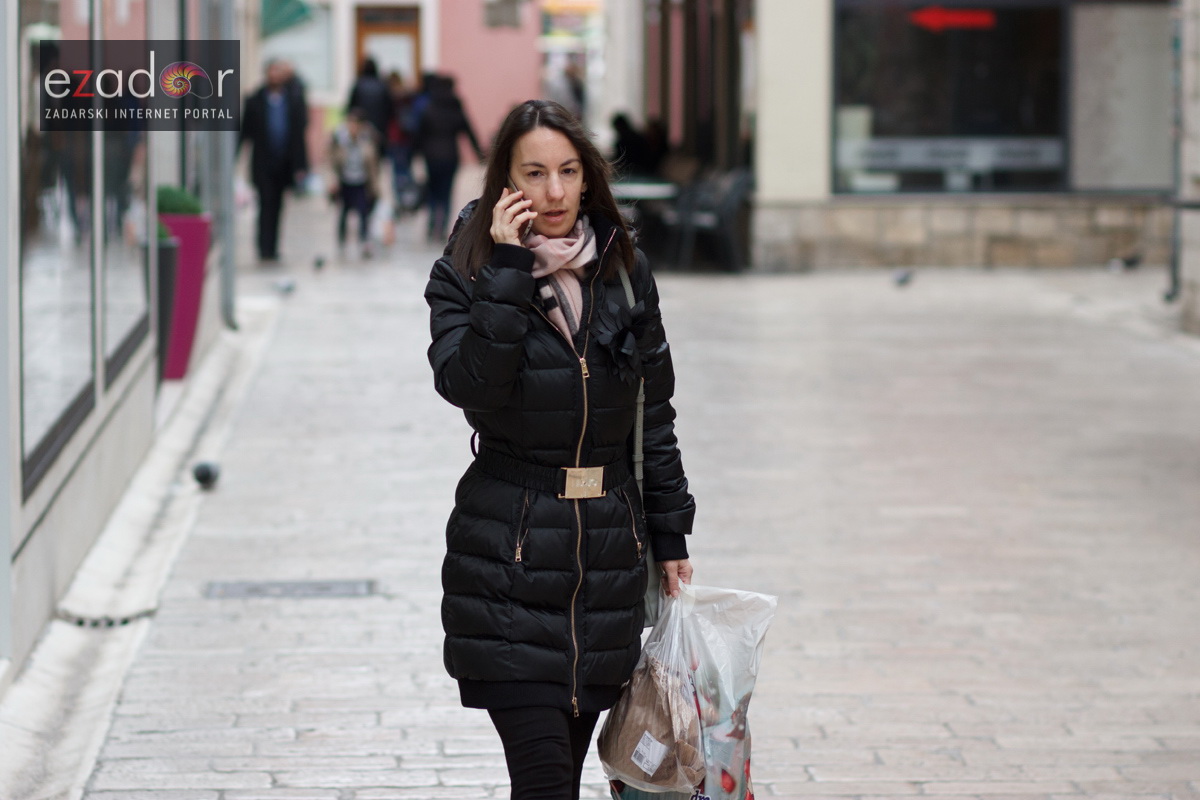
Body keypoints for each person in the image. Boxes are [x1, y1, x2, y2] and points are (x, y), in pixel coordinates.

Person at [424, 99, 696, 800]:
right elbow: (471, 388)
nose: (552, 192)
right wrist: (509, 270)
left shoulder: (624, 271)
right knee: (544, 781)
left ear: (587, 178)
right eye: (534, 173)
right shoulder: (465, 272)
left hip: (604, 565)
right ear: (503, 183)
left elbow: (652, 417)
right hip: (510, 563)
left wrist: (669, 534)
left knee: (558, 782)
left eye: (568, 172)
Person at [239, 59, 309, 262]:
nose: (275, 75)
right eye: (272, 71)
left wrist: (301, 166)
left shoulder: (293, 100)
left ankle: (274, 247)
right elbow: (245, 132)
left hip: (284, 162)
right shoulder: (255, 100)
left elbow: (298, 135)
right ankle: (263, 247)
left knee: (278, 206)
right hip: (263, 162)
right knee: (265, 204)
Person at [412, 74, 484, 242]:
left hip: (431, 157)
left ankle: (431, 226)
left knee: (433, 191)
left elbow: (418, 134)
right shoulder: (455, 108)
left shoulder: (429, 107)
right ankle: (442, 228)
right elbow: (468, 131)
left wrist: (414, 154)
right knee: (446, 193)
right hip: (450, 156)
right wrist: (480, 155)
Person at [329, 107, 380, 257]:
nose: (353, 127)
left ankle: (364, 241)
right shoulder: (339, 139)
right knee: (344, 212)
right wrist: (332, 181)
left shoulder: (368, 140)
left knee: (363, 212)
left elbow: (373, 165)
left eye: (356, 124)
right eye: (350, 123)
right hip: (345, 181)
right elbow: (331, 161)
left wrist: (375, 186)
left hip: (361, 181)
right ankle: (341, 242)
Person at [346, 57, 393, 147]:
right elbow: (389, 108)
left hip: (362, 126)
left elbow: (351, 107)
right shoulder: (382, 86)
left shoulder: (359, 85)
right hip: (380, 126)